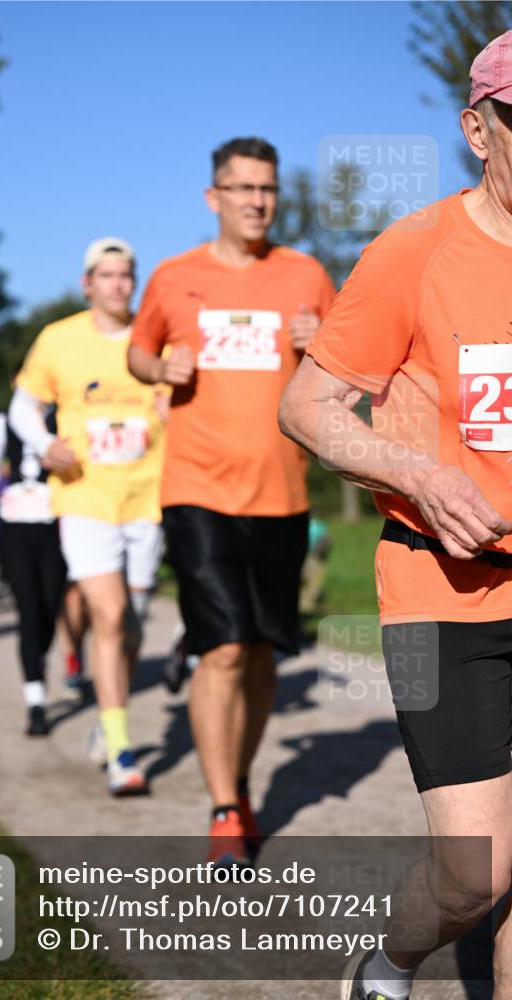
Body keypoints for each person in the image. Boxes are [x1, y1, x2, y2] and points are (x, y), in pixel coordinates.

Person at [279, 33, 512, 1000]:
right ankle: (388, 961)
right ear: (477, 131)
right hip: (440, 589)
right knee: (475, 875)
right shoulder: (415, 250)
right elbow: (307, 407)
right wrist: (417, 474)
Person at [127, 137, 335, 864]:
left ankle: (239, 781)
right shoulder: (173, 275)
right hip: (197, 489)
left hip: (281, 492)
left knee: (260, 653)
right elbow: (137, 351)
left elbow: (350, 375)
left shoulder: (307, 274)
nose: (257, 201)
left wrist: (321, 344)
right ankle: (223, 809)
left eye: (267, 189)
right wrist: (161, 367)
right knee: (219, 649)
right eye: (243, 188)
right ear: (212, 197)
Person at [10, 237, 166, 794]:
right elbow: (23, 406)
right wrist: (43, 443)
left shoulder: (156, 335)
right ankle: (122, 751)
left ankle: (107, 715)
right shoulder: (59, 339)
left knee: (133, 625)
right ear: (87, 283)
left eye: (126, 275)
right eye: (107, 275)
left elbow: (177, 401)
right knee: (110, 613)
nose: (118, 285)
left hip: (147, 496)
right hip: (84, 497)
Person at [0, 397, 70, 735]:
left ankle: (37, 657)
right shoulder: (3, 422)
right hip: (16, 525)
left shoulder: (65, 418)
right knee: (28, 610)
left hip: (54, 524)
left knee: (50, 607)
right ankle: (35, 701)